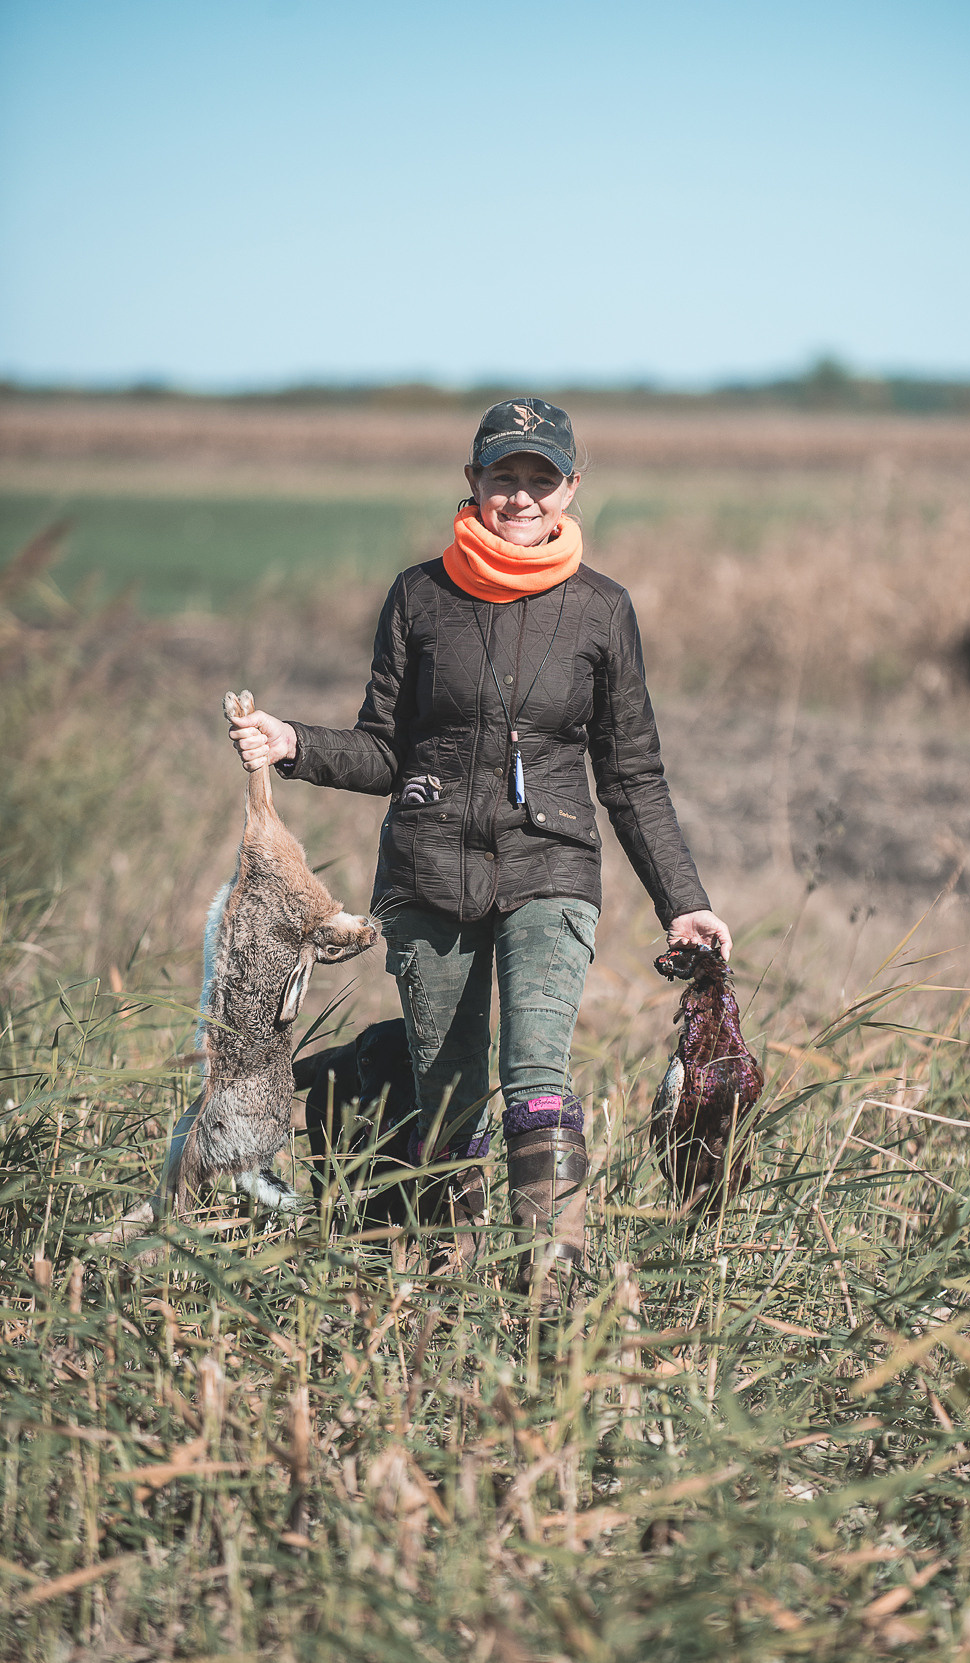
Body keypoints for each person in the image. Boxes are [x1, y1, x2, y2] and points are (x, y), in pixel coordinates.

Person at [229, 397, 731, 1300]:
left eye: (542, 478)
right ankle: (449, 1290)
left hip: (551, 869)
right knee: (448, 1096)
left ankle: (553, 1293)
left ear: (571, 489)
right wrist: (293, 743)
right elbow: (385, 750)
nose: (521, 496)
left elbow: (631, 774)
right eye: (505, 476)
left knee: (535, 1074)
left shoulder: (601, 609)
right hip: (426, 872)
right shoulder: (420, 596)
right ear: (473, 481)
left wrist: (682, 900)